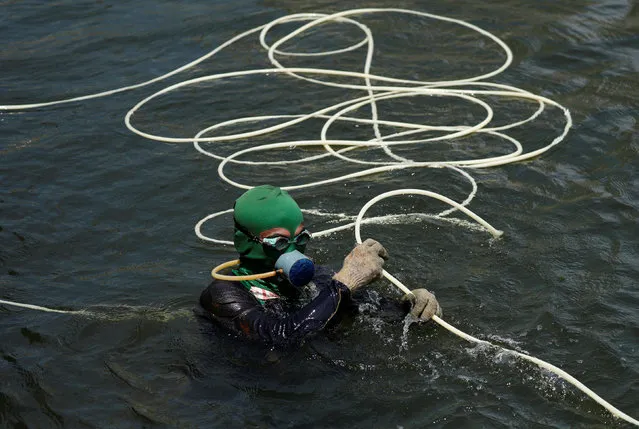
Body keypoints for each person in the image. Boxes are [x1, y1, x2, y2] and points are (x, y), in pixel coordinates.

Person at [199, 185, 441, 346]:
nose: (295, 250)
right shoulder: (222, 295)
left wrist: (412, 306)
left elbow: (372, 310)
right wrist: (343, 283)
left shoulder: (316, 277)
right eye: (280, 241)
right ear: (245, 241)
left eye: (301, 238)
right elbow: (280, 335)